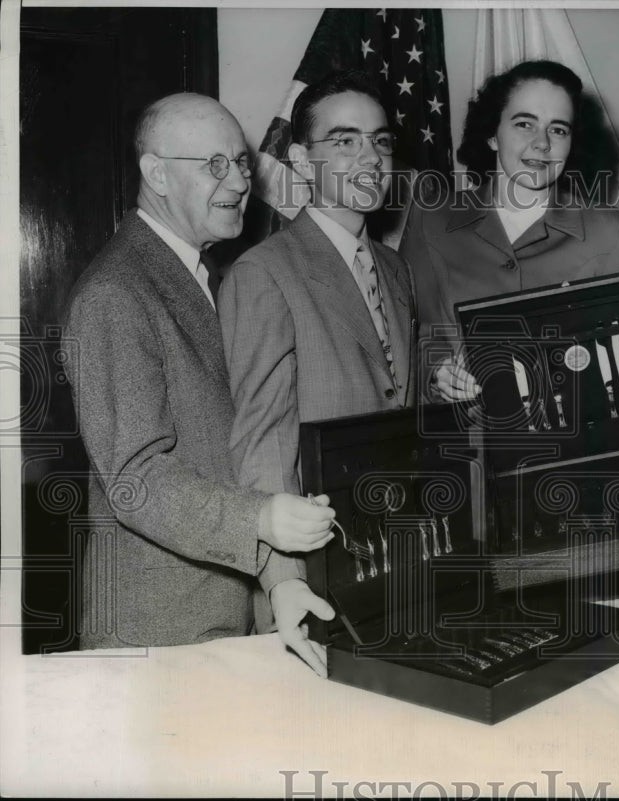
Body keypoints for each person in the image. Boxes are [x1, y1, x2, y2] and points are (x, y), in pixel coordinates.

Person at [63, 93, 337, 660]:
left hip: (213, 625)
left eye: (240, 162)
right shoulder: (115, 293)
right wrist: (261, 516)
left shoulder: (197, 276)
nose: (238, 181)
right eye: (215, 164)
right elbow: (137, 481)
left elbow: (219, 453)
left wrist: (280, 581)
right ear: (156, 174)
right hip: (155, 638)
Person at [218, 71, 416, 664]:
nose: (370, 158)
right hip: (316, 574)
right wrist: (284, 581)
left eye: (380, 142)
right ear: (302, 161)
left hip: (399, 558)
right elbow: (260, 439)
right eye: (345, 140)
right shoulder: (265, 272)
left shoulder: (394, 267)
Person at [400, 59, 619, 401]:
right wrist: (436, 373)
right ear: (492, 135)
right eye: (524, 124)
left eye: (558, 129)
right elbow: (405, 334)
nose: (542, 143)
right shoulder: (430, 220)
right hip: (462, 442)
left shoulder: (614, 231)